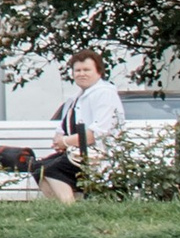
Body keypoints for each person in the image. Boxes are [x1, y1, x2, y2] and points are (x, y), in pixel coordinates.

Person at [39, 49, 125, 199]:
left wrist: (65, 142)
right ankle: (59, 206)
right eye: (77, 70)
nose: (81, 74)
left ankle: (69, 207)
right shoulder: (74, 99)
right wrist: (59, 141)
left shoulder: (105, 94)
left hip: (100, 154)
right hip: (75, 152)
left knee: (53, 169)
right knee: (37, 168)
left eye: (87, 70)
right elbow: (61, 130)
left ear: (99, 72)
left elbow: (97, 134)